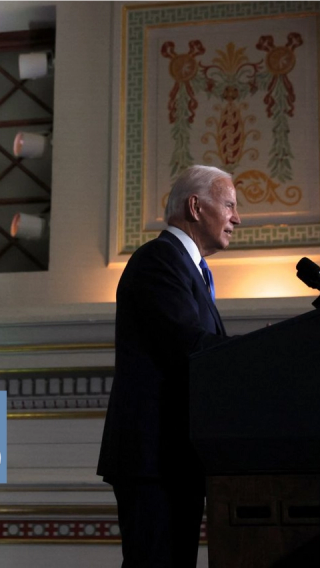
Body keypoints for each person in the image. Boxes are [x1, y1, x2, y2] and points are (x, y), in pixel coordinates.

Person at [97, 165, 241, 567]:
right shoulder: (160, 259)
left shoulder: (187, 267)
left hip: (175, 459)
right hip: (153, 460)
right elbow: (188, 346)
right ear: (195, 207)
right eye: (228, 205)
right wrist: (255, 353)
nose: (236, 218)